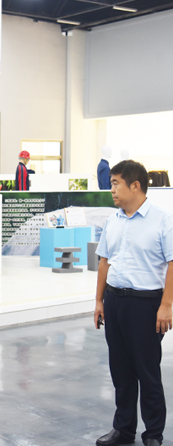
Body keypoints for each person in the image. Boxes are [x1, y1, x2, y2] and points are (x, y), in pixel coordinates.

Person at [94, 160, 173, 446]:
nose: (112, 189)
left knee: (147, 371)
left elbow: (172, 263)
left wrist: (166, 305)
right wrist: (99, 300)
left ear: (135, 185)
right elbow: (104, 261)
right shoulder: (113, 221)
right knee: (121, 371)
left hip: (146, 304)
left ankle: (153, 433)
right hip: (115, 301)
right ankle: (123, 429)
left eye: (116, 183)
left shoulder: (162, 220)